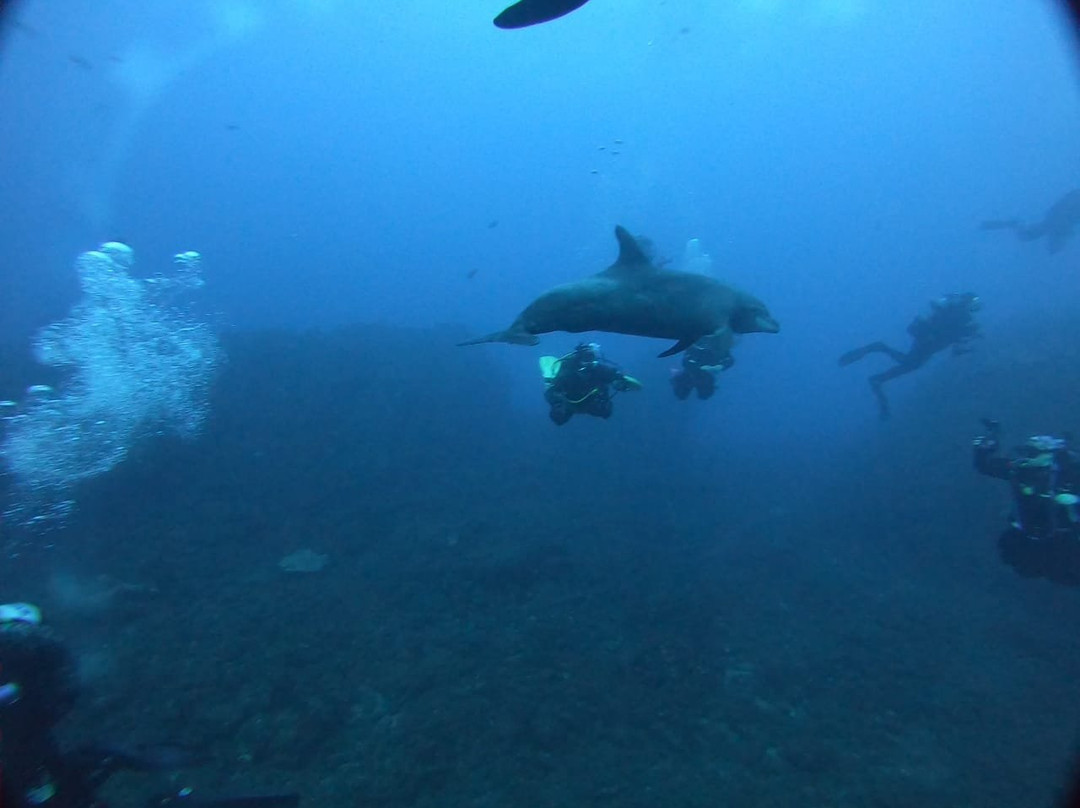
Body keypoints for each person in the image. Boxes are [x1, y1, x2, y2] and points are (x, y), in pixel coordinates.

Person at [838, 292, 982, 419]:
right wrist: (970, 334)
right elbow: (953, 334)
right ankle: (879, 355)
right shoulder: (961, 314)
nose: (977, 306)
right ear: (968, 302)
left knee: (910, 364)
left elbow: (953, 341)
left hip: (927, 342)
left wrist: (966, 339)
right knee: (911, 364)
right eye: (975, 303)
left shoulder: (958, 313)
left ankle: (878, 378)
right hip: (928, 343)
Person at [972, 420, 1080, 586]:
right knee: (1026, 569)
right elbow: (985, 466)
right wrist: (984, 446)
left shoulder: (1070, 473)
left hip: (1063, 539)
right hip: (1026, 538)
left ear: (1050, 454)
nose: (1027, 457)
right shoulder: (1019, 470)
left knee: (1065, 575)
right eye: (1027, 452)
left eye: (1032, 453)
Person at [539, 342, 641, 425]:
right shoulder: (566, 370)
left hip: (590, 402)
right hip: (568, 402)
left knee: (605, 412)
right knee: (558, 417)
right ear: (578, 358)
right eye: (585, 357)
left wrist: (620, 383)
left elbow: (635, 385)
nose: (588, 362)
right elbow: (551, 391)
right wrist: (557, 401)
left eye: (590, 357)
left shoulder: (600, 370)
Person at [669, 331, 734, 401]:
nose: (706, 344)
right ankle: (680, 381)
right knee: (681, 394)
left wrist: (720, 367)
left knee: (705, 394)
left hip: (703, 373)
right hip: (693, 371)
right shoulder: (695, 347)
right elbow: (686, 361)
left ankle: (680, 379)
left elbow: (729, 360)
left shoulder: (719, 348)